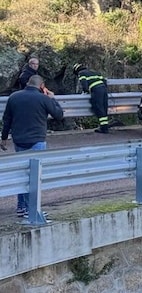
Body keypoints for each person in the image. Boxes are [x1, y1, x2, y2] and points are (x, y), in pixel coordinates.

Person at [1, 75, 63, 221]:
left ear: (28, 83)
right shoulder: (44, 99)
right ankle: (31, 209)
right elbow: (59, 115)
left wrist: (3, 138)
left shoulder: (14, 97)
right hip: (36, 140)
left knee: (22, 173)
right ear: (42, 86)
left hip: (19, 140)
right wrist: (53, 98)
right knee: (34, 175)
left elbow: (7, 119)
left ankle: (21, 207)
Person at [73, 63, 111, 133]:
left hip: (96, 91)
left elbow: (84, 84)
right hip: (103, 90)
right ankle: (105, 127)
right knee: (104, 107)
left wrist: (86, 91)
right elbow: (104, 81)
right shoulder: (94, 72)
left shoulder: (81, 73)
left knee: (98, 108)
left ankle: (104, 129)